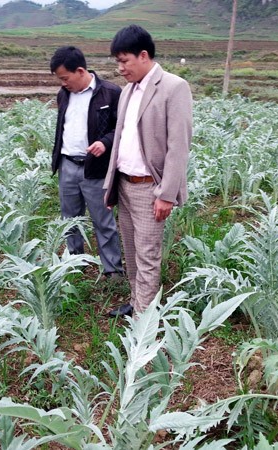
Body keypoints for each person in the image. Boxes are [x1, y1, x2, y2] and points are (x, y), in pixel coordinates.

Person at [103, 25, 193, 317]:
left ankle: (144, 318)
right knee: (131, 250)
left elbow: (178, 145)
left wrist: (166, 194)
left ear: (143, 56)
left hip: (149, 188)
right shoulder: (128, 90)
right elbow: (119, 140)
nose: (120, 68)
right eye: (117, 61)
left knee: (148, 255)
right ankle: (136, 301)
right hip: (125, 184)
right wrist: (111, 185)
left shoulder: (173, 87)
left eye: (124, 61)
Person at [50, 46, 124, 277]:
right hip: (68, 165)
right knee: (70, 221)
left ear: (80, 70)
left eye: (65, 77)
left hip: (96, 168)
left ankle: (113, 269)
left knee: (103, 221)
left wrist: (105, 142)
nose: (63, 83)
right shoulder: (64, 94)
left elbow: (122, 128)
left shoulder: (111, 93)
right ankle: (75, 264)